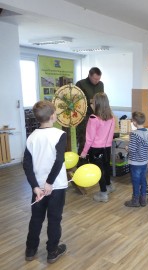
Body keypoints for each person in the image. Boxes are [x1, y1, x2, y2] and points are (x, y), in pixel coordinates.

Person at [23, 100, 67, 264]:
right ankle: (52, 252)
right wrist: (49, 183)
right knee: (54, 219)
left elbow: (26, 165)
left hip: (38, 188)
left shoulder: (31, 137)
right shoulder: (59, 134)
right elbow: (59, 160)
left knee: (36, 218)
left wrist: (35, 186)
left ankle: (30, 250)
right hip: (56, 186)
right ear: (52, 116)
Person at [80, 93, 115, 202]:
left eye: (92, 101)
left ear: (97, 104)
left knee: (99, 171)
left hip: (96, 149)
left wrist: (84, 152)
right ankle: (109, 185)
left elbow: (89, 139)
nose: (91, 103)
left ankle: (103, 193)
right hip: (107, 148)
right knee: (106, 167)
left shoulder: (93, 119)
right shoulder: (112, 118)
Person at [124, 111, 148, 207]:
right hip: (144, 161)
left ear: (135, 122)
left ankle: (135, 200)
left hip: (135, 162)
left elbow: (132, 149)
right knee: (143, 180)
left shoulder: (134, 134)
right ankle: (143, 200)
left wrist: (127, 148)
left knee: (135, 181)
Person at [76, 67, 104, 155]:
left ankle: (94, 161)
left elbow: (102, 98)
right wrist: (90, 101)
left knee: (96, 140)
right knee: (84, 141)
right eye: (95, 79)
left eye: (98, 79)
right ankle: (82, 162)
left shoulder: (101, 84)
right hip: (84, 118)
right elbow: (76, 101)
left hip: (97, 116)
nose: (97, 81)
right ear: (89, 75)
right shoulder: (80, 84)